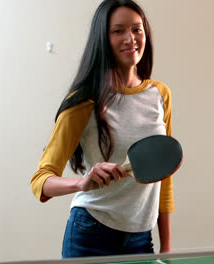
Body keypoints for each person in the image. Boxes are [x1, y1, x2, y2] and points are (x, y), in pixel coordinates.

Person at [30, 0, 174, 258]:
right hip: (91, 235)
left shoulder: (160, 95)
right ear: (103, 39)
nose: (130, 38)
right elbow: (41, 181)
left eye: (136, 29)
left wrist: (166, 248)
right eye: (118, 31)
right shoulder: (85, 101)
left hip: (142, 239)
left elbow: (163, 175)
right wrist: (83, 182)